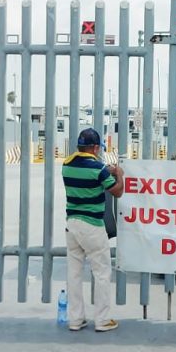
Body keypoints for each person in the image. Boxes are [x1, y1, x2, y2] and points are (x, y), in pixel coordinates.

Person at [63, 128, 125, 333]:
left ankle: (75, 319)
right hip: (92, 226)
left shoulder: (67, 164)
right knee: (101, 272)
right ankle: (102, 320)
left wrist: (105, 169)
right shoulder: (99, 169)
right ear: (96, 147)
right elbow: (117, 191)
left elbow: (88, 171)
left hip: (72, 224)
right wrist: (120, 175)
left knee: (74, 273)